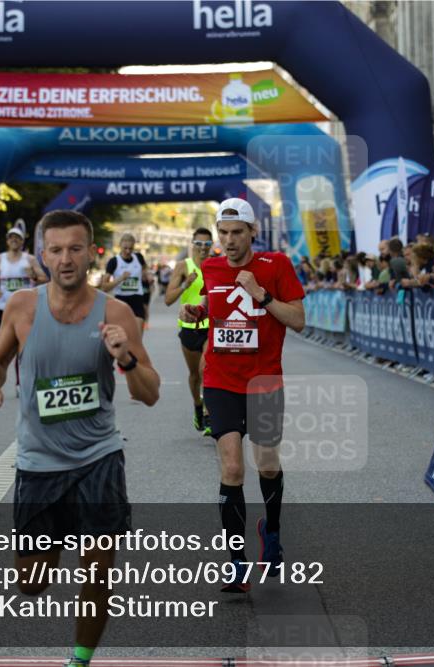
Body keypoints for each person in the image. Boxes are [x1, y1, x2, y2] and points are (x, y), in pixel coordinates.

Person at [0, 210, 159, 667]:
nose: (65, 259)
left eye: (75, 248)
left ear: (91, 253)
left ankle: (79, 660)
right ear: (42, 255)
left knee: (97, 568)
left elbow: (150, 394)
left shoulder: (115, 314)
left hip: (99, 456)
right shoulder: (21, 307)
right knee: (32, 582)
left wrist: (128, 360)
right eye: (56, 249)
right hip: (39, 462)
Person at [179, 198, 305, 593]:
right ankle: (236, 561)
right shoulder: (210, 266)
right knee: (232, 469)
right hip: (220, 379)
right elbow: (217, 307)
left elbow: (299, 321)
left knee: (267, 464)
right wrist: (198, 311)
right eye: (223, 233)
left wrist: (263, 296)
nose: (229, 241)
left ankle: (272, 531)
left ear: (253, 232)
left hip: (265, 380)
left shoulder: (277, 266)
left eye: (237, 233)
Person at [164, 228, 214, 435]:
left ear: (212, 246)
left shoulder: (216, 266)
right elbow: (168, 299)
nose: (203, 248)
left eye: (207, 244)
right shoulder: (183, 266)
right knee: (195, 374)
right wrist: (186, 284)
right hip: (189, 327)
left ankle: (209, 414)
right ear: (192, 244)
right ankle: (197, 405)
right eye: (199, 244)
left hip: (211, 326)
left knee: (207, 370)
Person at [0, 222, 47, 330]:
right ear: (7, 241)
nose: (14, 240)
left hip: (26, 307)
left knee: (25, 341)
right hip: (4, 307)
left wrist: (34, 277)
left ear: (22, 241)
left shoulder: (30, 259)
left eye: (17, 237)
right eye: (11, 237)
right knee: (5, 342)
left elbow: (45, 279)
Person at [99, 233, 149, 326]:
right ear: (120, 246)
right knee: (123, 333)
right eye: (125, 248)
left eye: (130, 248)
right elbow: (104, 286)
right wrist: (120, 278)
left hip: (137, 298)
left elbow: (145, 268)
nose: (128, 251)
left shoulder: (138, 257)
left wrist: (147, 275)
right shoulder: (114, 262)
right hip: (121, 299)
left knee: (137, 334)